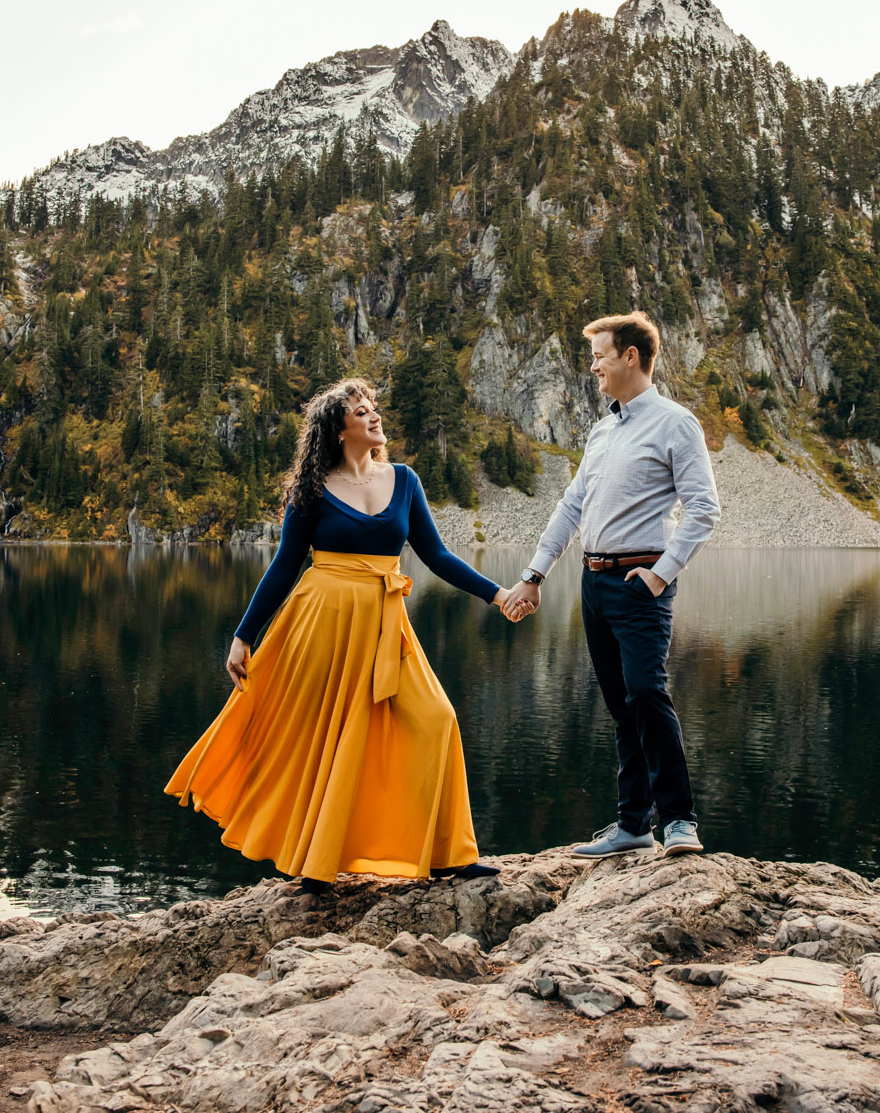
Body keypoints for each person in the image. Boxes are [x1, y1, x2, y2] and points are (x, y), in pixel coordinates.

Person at [164, 377, 529, 896]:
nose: (375, 417)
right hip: (320, 624)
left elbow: (438, 556)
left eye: (374, 408)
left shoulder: (404, 480)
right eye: (362, 412)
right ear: (338, 431)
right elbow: (286, 564)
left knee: (437, 718)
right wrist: (243, 635)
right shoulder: (311, 489)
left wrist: (497, 594)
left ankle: (449, 855)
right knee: (323, 740)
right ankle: (314, 862)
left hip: (384, 622)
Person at [502, 311, 720, 859]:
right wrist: (534, 576)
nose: (592, 364)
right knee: (622, 705)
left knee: (648, 691)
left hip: (640, 581)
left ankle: (679, 822)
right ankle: (632, 825)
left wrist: (660, 574)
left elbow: (703, 510)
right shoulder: (602, 431)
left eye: (600, 354)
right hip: (593, 583)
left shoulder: (676, 423)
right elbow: (571, 506)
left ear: (630, 356)